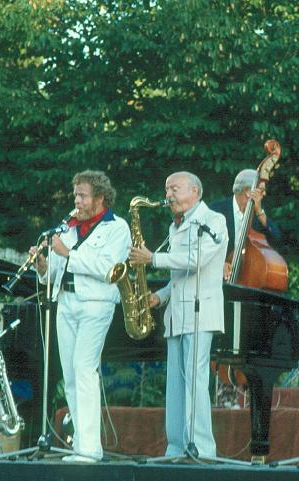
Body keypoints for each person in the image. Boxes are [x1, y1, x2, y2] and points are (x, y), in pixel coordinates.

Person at [32, 170, 131, 463]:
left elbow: (108, 268)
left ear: (100, 198)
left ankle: (90, 448)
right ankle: (80, 444)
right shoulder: (69, 227)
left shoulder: (117, 227)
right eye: (75, 195)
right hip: (66, 302)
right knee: (71, 375)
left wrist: (68, 253)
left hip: (96, 304)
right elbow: (55, 272)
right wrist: (42, 267)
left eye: (83, 195)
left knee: (85, 368)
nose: (77, 201)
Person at [128, 171, 228, 459]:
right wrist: (159, 297)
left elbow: (196, 261)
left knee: (196, 381)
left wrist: (152, 259)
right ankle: (175, 446)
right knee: (175, 385)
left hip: (201, 312)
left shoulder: (213, 221)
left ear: (195, 191)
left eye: (175, 188)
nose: (168, 194)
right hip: (177, 314)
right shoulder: (177, 225)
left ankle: (202, 448)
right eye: (166, 189)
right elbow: (180, 276)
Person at [209, 168, 282, 282]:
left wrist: (260, 212)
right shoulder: (216, 210)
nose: (264, 194)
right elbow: (203, 245)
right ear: (248, 191)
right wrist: (219, 263)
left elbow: (276, 239)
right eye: (261, 190)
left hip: (247, 278)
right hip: (216, 278)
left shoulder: (259, 214)